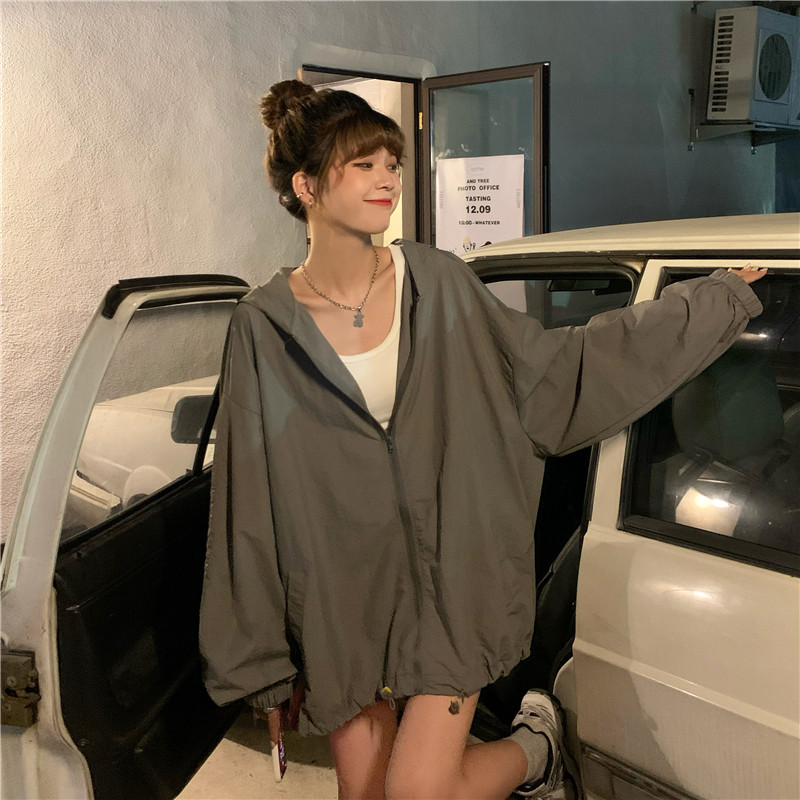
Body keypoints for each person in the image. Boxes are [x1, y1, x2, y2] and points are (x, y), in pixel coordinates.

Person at [199, 79, 766, 800]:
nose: (387, 178)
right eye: (363, 164)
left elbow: (557, 372)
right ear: (306, 186)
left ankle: (535, 750)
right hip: (342, 604)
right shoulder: (262, 326)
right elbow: (247, 501)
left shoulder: (436, 282)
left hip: (451, 585)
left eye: (391, 162)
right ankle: (534, 752)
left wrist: (707, 303)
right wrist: (259, 665)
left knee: (417, 793)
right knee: (362, 794)